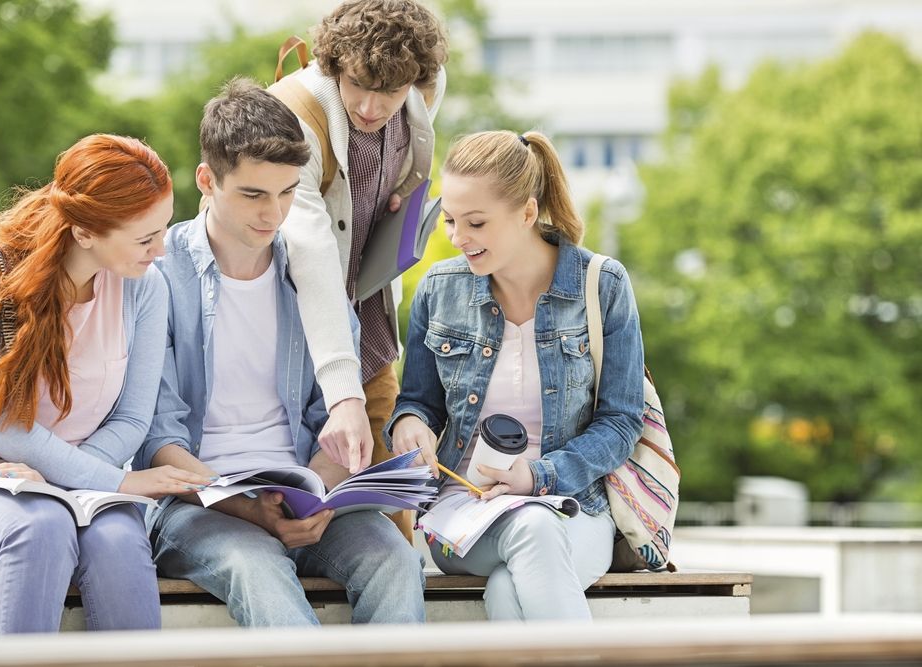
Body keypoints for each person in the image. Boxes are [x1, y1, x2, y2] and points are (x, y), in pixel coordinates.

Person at [135, 77, 425, 628]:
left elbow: (330, 418)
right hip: (196, 504)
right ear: (207, 180)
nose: (273, 214)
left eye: (288, 192)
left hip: (303, 497)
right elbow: (156, 437)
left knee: (394, 559)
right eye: (253, 194)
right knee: (258, 567)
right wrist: (248, 509)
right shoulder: (158, 274)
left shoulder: (310, 273)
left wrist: (312, 498)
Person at [0, 134, 211, 634]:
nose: (160, 250)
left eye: (163, 229)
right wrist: (117, 482)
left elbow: (132, 418)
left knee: (118, 541)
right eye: (146, 238)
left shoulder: (145, 286)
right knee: (40, 527)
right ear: (83, 233)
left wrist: (68, 480)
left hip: (85, 487)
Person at [387, 130, 646, 621]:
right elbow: (417, 401)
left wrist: (539, 476)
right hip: (463, 514)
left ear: (527, 213)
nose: (457, 238)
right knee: (532, 530)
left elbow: (621, 422)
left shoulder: (603, 284)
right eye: (449, 221)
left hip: (574, 507)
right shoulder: (439, 290)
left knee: (511, 585)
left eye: (476, 223)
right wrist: (408, 424)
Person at [278, 0, 448, 542]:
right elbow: (309, 253)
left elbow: (405, 158)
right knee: (291, 509)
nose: (372, 108)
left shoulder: (425, 87)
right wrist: (341, 391)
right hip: (287, 326)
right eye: (357, 86)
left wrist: (397, 192)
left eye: (391, 93)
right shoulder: (293, 118)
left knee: (392, 509)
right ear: (331, 65)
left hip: (368, 321)